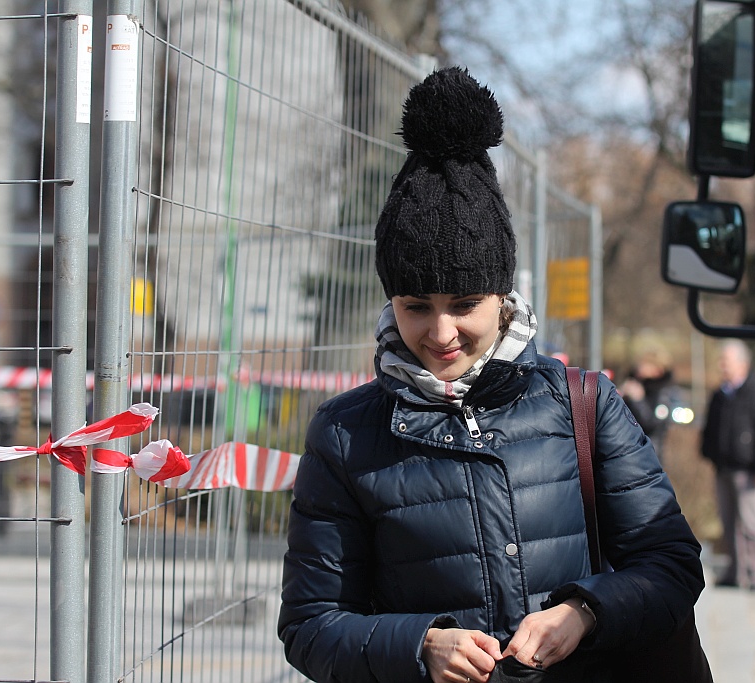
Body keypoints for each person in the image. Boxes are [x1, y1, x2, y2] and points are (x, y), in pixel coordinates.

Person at [278, 66, 707, 683]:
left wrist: (585, 611)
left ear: (502, 298)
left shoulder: (582, 403)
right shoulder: (345, 434)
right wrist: (420, 646)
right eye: (416, 306)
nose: (441, 332)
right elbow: (311, 626)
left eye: (464, 304)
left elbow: (670, 564)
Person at [700, 339, 755, 591]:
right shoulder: (719, 395)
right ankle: (734, 572)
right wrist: (709, 454)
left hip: (748, 472)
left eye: (727, 361)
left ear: (742, 364)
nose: (722, 366)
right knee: (728, 523)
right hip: (723, 469)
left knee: (750, 524)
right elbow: (709, 430)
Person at [617, 348, 681, 458]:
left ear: (658, 370)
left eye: (646, 364)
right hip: (625, 451)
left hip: (648, 456)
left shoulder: (663, 393)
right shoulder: (637, 384)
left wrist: (638, 400)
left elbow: (652, 424)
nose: (640, 367)